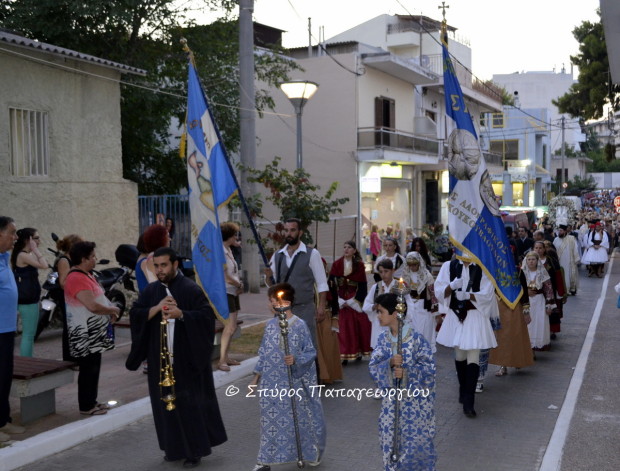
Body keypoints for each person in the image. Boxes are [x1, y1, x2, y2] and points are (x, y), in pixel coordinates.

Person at [126, 247, 227, 467]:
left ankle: (194, 451)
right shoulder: (151, 291)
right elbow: (136, 314)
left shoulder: (190, 289)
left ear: (175, 265)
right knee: (165, 407)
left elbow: (205, 318)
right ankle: (174, 448)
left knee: (189, 406)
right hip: (160, 360)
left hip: (185, 359)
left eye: (164, 265)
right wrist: (156, 309)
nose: (159, 270)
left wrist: (181, 314)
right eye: (156, 266)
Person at [250, 283, 326, 471]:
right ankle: (264, 460)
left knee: (298, 421)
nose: (271, 305)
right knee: (269, 423)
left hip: (292, 384)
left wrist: (296, 359)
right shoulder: (270, 326)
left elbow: (310, 352)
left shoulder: (299, 325)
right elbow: (264, 354)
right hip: (269, 385)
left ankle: (309, 452)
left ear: (286, 303)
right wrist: (255, 379)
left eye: (273, 301)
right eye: (271, 301)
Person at [369, 293, 436, 471]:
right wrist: (389, 363)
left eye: (381, 312)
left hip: (414, 407)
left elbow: (429, 371)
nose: (378, 316)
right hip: (391, 405)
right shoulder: (383, 339)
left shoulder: (416, 339)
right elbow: (373, 367)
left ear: (394, 313)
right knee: (389, 442)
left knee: (414, 446)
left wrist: (408, 373)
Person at [435, 252, 498, 418]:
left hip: (475, 316)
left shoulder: (483, 268)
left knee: (473, 356)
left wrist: (469, 295)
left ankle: (469, 401)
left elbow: (488, 294)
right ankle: (463, 390)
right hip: (456, 316)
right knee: (460, 355)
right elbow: (439, 291)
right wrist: (451, 287)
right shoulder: (448, 266)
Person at [64, 241, 119, 416]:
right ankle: (86, 406)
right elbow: (92, 306)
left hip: (94, 332)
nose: (95, 259)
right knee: (88, 369)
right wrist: (113, 309)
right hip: (85, 333)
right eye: (93, 256)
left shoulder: (86, 275)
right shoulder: (76, 278)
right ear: (83, 259)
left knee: (94, 368)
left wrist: (109, 310)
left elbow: (98, 297)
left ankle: (92, 401)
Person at [265, 218, 328, 349]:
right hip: (283, 310)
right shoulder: (277, 255)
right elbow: (271, 285)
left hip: (305, 309)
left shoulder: (312, 254)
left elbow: (322, 283)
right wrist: (268, 276)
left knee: (306, 346)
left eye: (292, 230)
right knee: (284, 347)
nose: (289, 233)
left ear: (300, 232)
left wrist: (321, 306)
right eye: (286, 230)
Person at [0, 216, 25, 441]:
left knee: (4, 376)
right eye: (12, 232)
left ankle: (2, 421)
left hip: (6, 330)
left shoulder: (4, 258)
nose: (15, 237)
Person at [329, 241, 369, 363]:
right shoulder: (336, 264)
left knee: (357, 325)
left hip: (354, 298)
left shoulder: (359, 266)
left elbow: (363, 286)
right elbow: (331, 284)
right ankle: (343, 353)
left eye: (349, 247)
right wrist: (339, 300)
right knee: (343, 327)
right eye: (344, 247)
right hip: (340, 297)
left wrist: (353, 301)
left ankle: (357, 351)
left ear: (354, 250)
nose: (346, 249)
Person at [11, 228, 48, 357]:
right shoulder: (23, 255)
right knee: (28, 334)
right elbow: (44, 265)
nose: (39, 241)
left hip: (28, 298)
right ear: (28, 240)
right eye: (36, 238)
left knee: (29, 334)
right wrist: (36, 250)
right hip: (27, 300)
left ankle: (28, 358)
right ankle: (27, 360)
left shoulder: (23, 254)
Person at [489, 272, 534, 377]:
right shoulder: (496, 270)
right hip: (499, 305)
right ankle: (502, 365)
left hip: (515, 305)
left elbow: (524, 291)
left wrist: (526, 310)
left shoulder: (518, 271)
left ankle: (517, 360)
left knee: (516, 334)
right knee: (501, 336)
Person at [54, 234, 84, 362]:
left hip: (76, 298)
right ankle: (69, 359)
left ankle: (78, 356)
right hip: (68, 298)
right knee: (70, 328)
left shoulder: (74, 259)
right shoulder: (64, 261)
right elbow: (63, 283)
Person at [401, 251, 439, 352]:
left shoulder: (427, 276)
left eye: (414, 265)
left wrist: (436, 312)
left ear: (419, 263)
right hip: (410, 307)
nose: (412, 267)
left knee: (424, 333)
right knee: (410, 334)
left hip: (423, 307)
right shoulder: (405, 276)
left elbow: (432, 293)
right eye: (410, 265)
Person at [219, 221, 243, 372]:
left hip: (233, 291)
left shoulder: (228, 249)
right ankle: (222, 360)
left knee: (232, 327)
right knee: (230, 326)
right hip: (227, 291)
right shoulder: (221, 251)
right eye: (235, 235)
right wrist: (239, 284)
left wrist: (238, 285)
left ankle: (226, 357)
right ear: (228, 236)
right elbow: (226, 277)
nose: (236, 237)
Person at [521, 252, 555, 351]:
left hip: (539, 301)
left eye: (533, 259)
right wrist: (526, 292)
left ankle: (536, 345)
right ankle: (528, 348)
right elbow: (516, 287)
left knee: (539, 323)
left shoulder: (542, 272)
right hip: (526, 302)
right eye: (529, 259)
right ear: (526, 261)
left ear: (537, 261)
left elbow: (549, 289)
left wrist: (549, 305)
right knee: (527, 324)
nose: (531, 262)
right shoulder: (522, 273)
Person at [363, 259, 397, 350]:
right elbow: (366, 306)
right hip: (379, 324)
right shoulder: (376, 287)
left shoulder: (399, 286)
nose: (383, 274)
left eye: (386, 271)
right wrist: (374, 306)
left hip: (394, 324)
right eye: (381, 272)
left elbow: (409, 306)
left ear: (392, 271)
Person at [553, 224, 580, 295]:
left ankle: (570, 288)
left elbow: (575, 248)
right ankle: (562, 289)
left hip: (569, 260)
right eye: (559, 231)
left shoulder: (571, 239)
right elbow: (553, 250)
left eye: (561, 231)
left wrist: (576, 258)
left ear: (565, 231)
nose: (559, 232)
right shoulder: (556, 240)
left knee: (569, 274)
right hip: (559, 261)